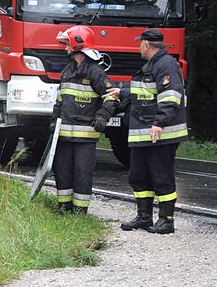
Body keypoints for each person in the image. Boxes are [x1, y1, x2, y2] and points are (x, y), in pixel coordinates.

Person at [109, 28, 188, 234]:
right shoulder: (151, 66)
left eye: (139, 44)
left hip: (159, 133)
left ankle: (166, 220)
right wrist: (123, 92)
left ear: (145, 44)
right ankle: (144, 217)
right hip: (142, 132)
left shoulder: (166, 65)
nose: (139, 47)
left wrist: (159, 123)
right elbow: (144, 93)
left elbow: (171, 96)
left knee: (161, 177)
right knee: (139, 176)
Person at [51, 26, 118, 214]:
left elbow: (112, 97)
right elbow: (60, 100)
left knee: (82, 173)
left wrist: (103, 116)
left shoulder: (96, 73)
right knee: (62, 171)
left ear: (77, 45)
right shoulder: (67, 71)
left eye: (67, 44)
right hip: (63, 135)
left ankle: (80, 212)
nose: (65, 48)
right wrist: (53, 121)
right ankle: (64, 207)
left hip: (85, 138)